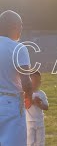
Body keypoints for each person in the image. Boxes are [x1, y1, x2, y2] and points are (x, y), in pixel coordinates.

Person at [0, 10, 33, 145]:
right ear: (13, 26)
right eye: (21, 25)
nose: (21, 29)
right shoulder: (18, 48)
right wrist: (29, 97)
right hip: (11, 104)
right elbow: (26, 81)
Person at [26, 70, 49, 146]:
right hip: (29, 121)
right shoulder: (26, 93)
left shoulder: (42, 94)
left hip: (40, 122)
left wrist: (39, 104)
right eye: (34, 80)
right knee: (30, 142)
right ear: (29, 81)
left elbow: (46, 107)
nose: (36, 83)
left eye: (38, 81)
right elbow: (25, 105)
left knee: (40, 142)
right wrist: (32, 101)